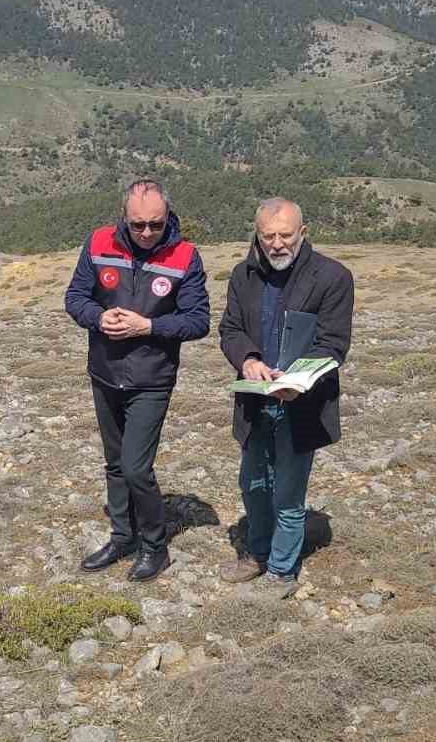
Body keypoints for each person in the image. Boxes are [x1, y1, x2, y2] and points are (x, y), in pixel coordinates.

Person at [64, 178, 209, 581]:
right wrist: (97, 317)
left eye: (156, 225)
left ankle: (154, 547)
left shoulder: (185, 257)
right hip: (105, 372)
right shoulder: (97, 243)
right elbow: (75, 297)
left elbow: (198, 322)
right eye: (138, 224)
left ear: (169, 219)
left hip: (152, 378)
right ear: (123, 218)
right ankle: (122, 536)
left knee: (135, 467)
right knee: (114, 463)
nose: (147, 232)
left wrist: (148, 326)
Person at [218, 197, 353, 597]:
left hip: (302, 403)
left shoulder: (333, 277)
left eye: (286, 235)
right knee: (253, 483)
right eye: (268, 236)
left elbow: (333, 344)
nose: (277, 244)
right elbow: (230, 329)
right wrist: (248, 359)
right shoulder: (243, 275)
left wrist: (298, 379)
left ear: (303, 233)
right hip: (256, 398)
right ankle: (257, 554)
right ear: (257, 235)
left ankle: (282, 571)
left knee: (288, 492)